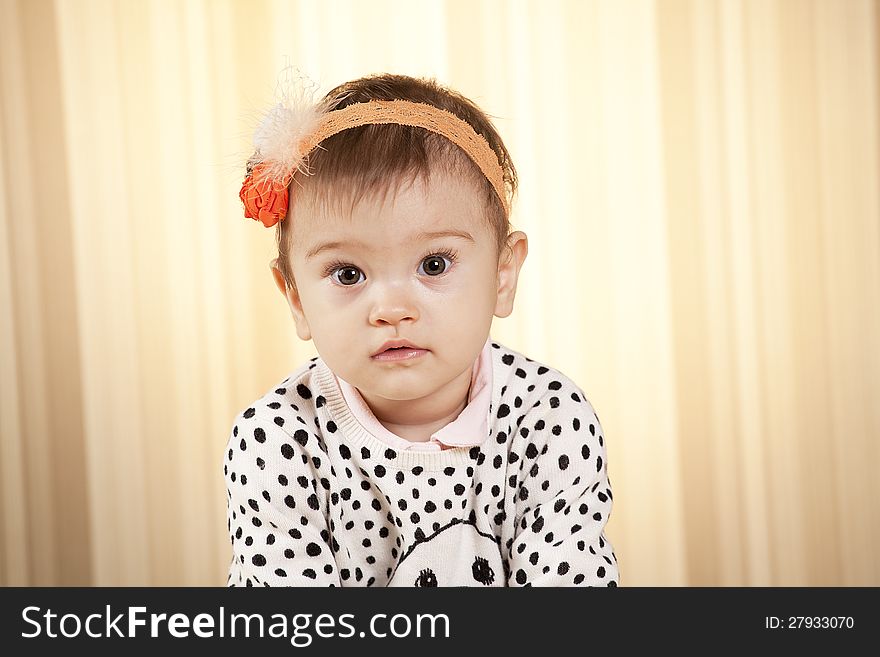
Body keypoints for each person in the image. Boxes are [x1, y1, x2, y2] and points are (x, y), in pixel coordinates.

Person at [224, 72, 619, 586]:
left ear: (503, 274)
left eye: (433, 265)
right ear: (296, 297)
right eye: (348, 274)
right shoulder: (277, 440)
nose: (391, 309)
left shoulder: (549, 418)